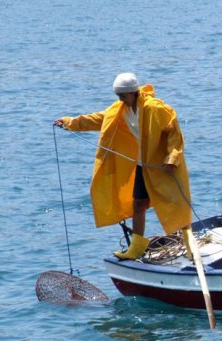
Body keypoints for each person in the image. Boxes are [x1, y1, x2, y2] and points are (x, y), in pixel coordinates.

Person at [54, 73, 192, 260]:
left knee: (176, 204)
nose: (120, 99)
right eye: (118, 95)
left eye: (123, 95)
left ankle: (191, 246)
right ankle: (136, 247)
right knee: (138, 204)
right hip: (143, 166)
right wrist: (69, 123)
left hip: (164, 166)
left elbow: (174, 132)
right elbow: (98, 119)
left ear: (134, 93)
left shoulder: (154, 108)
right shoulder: (120, 110)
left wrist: (172, 158)